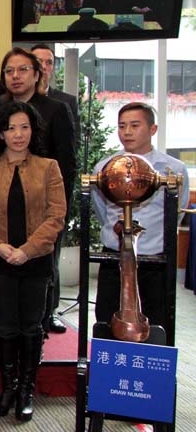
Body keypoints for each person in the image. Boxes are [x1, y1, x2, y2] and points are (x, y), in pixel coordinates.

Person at [0, 102, 66, 422]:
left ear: (33, 130)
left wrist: (27, 250)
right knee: (5, 326)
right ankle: (8, 388)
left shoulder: (49, 167)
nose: (18, 134)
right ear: (0, 133)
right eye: (11, 128)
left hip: (36, 260)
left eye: (25, 127)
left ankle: (26, 389)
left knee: (31, 326)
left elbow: (56, 216)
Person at [0, 47, 77, 336]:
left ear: (37, 74)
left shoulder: (56, 109)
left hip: (44, 206)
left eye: (22, 70)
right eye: (9, 71)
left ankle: (43, 322)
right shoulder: (0, 109)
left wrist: (59, 210)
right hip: (6, 205)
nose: (16, 76)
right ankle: (6, 331)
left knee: (45, 266)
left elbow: (67, 162)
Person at [91, 102, 189, 332]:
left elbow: (176, 212)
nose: (127, 132)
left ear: (153, 129)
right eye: (122, 126)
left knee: (157, 321)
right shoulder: (104, 168)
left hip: (155, 257)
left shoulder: (172, 169)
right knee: (107, 319)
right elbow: (101, 209)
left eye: (135, 125)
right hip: (114, 254)